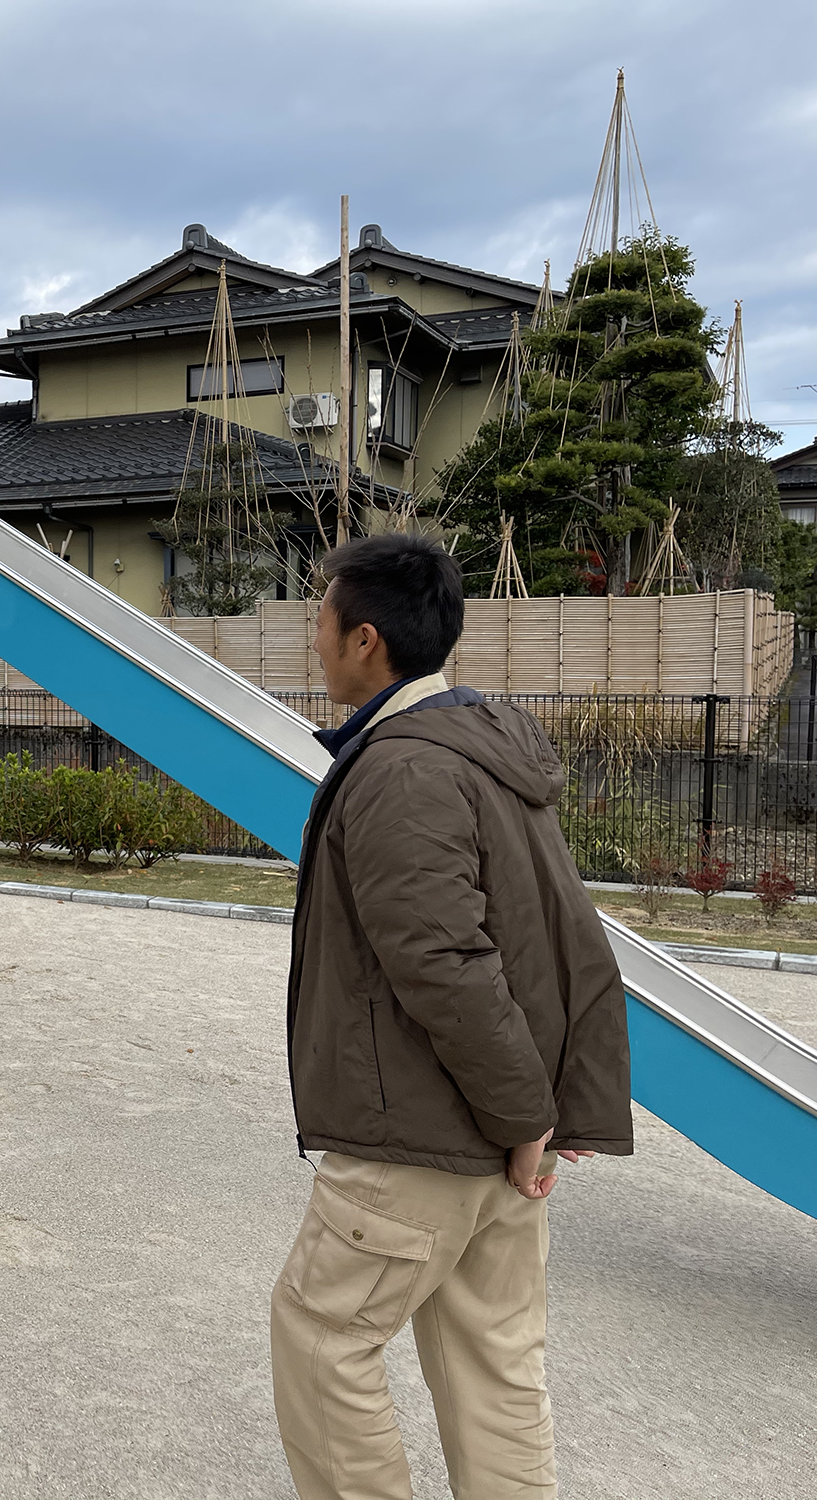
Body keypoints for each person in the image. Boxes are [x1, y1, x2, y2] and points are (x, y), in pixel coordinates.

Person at [270, 532, 632, 1500]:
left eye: (322, 618)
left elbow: (445, 966)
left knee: (319, 1336)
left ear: (365, 642)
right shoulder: (484, 750)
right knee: (494, 1365)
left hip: (421, 1138)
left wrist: (525, 1122)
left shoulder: (401, 771)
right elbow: (566, 933)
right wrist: (551, 1112)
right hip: (504, 1128)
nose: (315, 636)